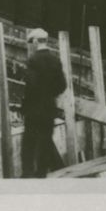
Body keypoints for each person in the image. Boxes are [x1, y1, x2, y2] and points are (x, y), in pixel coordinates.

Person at [21, 28, 67, 178]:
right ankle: (41, 174)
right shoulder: (55, 60)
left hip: (34, 108)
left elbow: (30, 87)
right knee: (46, 140)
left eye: (32, 41)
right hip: (49, 107)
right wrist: (50, 94)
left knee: (29, 141)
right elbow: (62, 85)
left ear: (35, 41)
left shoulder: (33, 60)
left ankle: (27, 174)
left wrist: (25, 107)